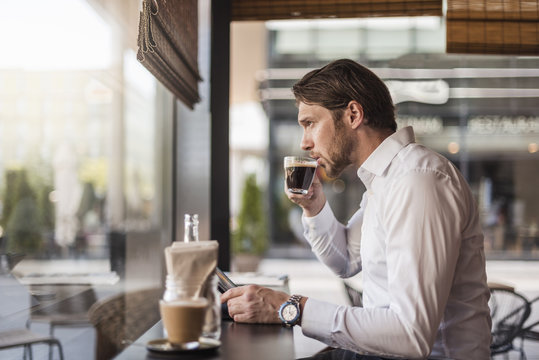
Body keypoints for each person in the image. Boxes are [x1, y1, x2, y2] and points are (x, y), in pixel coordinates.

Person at [221, 59, 492, 359]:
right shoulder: (386, 179)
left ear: (352, 114)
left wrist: (292, 308)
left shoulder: (418, 180)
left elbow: (411, 335)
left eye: (310, 123)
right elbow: (346, 260)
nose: (305, 143)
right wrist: (314, 206)